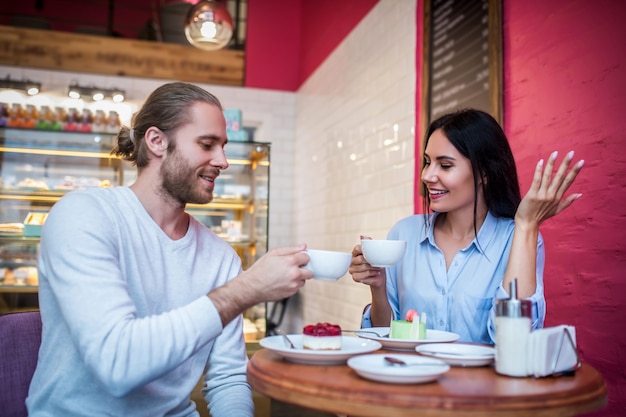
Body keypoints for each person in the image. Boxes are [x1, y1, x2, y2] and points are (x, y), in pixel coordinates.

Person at [27, 82, 314, 416]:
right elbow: (116, 363)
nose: (222, 161)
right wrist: (246, 289)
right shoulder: (83, 214)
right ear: (156, 141)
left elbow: (228, 379)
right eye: (207, 144)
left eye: (222, 146)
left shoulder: (219, 256)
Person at [349, 108, 584, 344]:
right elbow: (385, 337)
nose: (427, 175)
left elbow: (515, 342)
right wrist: (377, 286)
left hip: (485, 382)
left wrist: (526, 225)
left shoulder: (515, 240)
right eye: (428, 162)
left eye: (445, 165)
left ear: (483, 172)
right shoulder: (404, 233)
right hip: (412, 378)